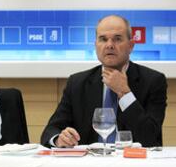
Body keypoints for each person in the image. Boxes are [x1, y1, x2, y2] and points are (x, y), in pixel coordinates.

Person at [41, 15, 167, 148]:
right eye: (103, 39)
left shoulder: (153, 81)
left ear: (131, 46)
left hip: (132, 163)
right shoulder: (77, 83)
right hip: (89, 163)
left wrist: (124, 93)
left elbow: (151, 138)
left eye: (117, 39)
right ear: (96, 45)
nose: (109, 45)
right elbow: (50, 131)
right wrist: (59, 139)